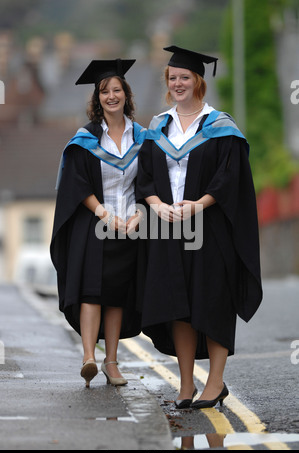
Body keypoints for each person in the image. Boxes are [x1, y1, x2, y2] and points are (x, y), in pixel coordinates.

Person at [136, 46, 263, 409]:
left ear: (198, 82)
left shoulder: (221, 127)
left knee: (212, 301)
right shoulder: (157, 127)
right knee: (178, 304)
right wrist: (157, 205)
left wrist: (199, 204)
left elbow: (229, 177)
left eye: (185, 78)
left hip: (209, 228)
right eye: (173, 78)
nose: (178, 83)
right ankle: (187, 383)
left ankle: (216, 383)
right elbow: (143, 178)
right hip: (167, 230)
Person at [50, 58, 146, 388]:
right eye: (105, 91)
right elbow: (77, 183)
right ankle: (89, 357)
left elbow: (149, 183)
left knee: (116, 295)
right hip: (96, 225)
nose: (111, 96)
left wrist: (139, 214)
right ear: (97, 98)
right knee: (92, 291)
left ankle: (113, 362)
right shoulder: (86, 139)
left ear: (126, 95)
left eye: (117, 89)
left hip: (130, 226)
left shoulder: (143, 137)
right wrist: (105, 214)